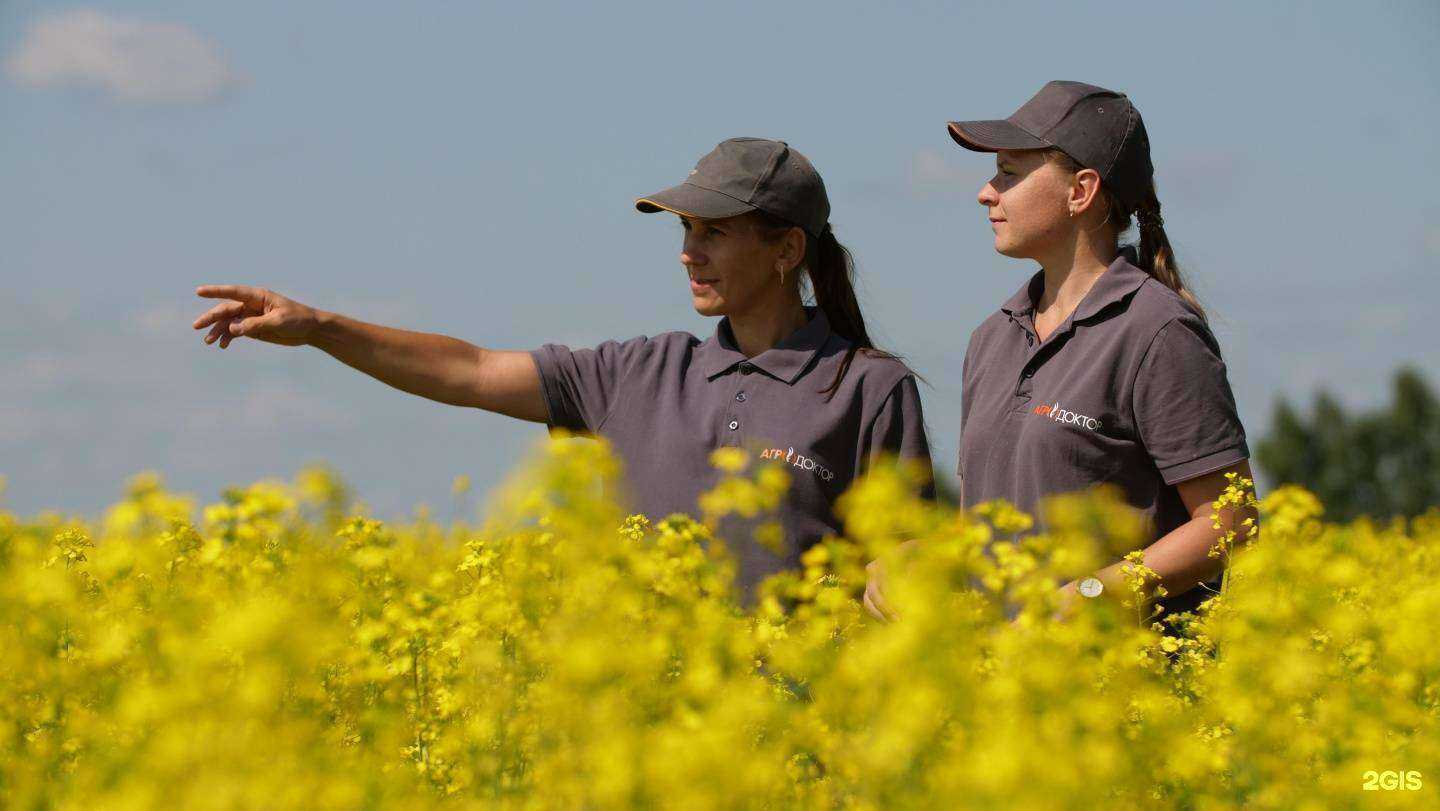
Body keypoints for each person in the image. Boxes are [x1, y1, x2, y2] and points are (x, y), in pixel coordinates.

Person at [192, 137, 935, 603]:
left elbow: (900, 550)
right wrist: (321, 327)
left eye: (715, 232)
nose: (689, 251)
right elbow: (471, 371)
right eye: (685, 230)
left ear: (786, 251)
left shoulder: (867, 386)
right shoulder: (636, 374)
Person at [864, 82, 1255, 626]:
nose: (986, 192)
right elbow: (990, 520)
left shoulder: (1157, 329)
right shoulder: (991, 338)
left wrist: (1091, 596)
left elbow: (1230, 521)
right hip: (1004, 688)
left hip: (1123, 689)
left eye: (1008, 173)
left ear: (1081, 190)